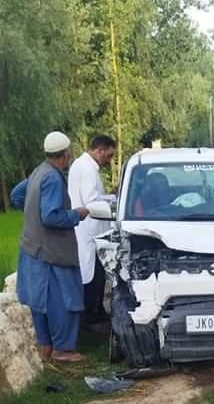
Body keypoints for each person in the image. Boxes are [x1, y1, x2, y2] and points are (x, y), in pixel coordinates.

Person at [10, 132, 89, 363]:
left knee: (40, 303)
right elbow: (51, 217)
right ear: (65, 155)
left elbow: (17, 195)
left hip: (32, 249)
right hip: (52, 253)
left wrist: (30, 212)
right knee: (64, 301)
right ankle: (63, 350)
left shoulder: (38, 171)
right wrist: (77, 214)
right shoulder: (53, 178)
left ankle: (45, 347)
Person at [68, 135, 116, 326]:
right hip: (89, 229)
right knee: (92, 275)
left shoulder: (83, 165)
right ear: (100, 150)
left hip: (88, 230)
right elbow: (91, 201)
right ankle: (90, 315)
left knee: (93, 273)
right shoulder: (87, 169)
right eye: (109, 155)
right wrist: (111, 200)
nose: (109, 160)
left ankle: (92, 313)